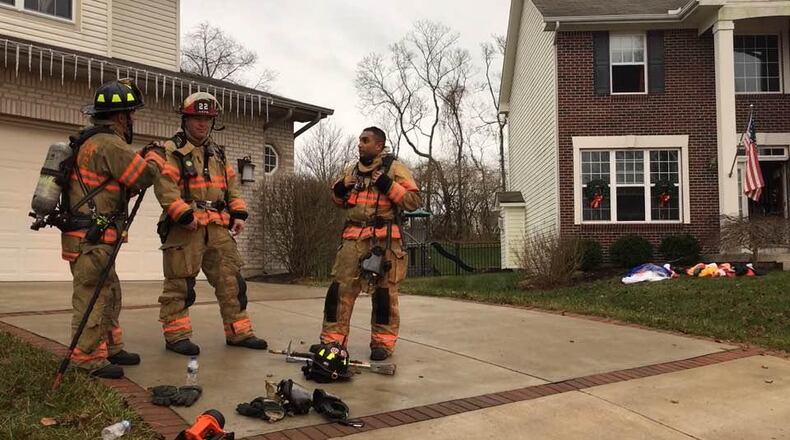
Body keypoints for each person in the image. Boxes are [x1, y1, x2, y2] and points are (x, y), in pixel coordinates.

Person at [64, 79, 165, 378]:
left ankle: (110, 348)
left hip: (92, 238)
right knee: (92, 296)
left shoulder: (90, 141)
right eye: (131, 114)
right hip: (91, 240)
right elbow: (144, 176)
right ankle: (87, 358)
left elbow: (113, 187)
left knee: (109, 292)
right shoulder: (109, 143)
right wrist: (155, 158)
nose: (132, 120)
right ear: (121, 117)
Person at [154, 92, 267, 356]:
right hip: (186, 227)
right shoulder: (170, 151)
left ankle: (239, 332)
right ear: (185, 119)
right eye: (196, 118)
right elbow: (166, 188)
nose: (202, 124)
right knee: (179, 284)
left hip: (217, 226)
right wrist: (183, 214)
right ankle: (177, 336)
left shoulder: (218, 153)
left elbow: (233, 189)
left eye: (207, 119)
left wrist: (238, 214)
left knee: (232, 281)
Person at [318, 126, 421, 361]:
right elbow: (338, 200)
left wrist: (387, 184)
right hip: (352, 239)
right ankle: (333, 343)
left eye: (365, 140)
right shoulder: (352, 170)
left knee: (385, 294)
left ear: (378, 145)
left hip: (384, 242)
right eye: (359, 140)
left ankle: (382, 344)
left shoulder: (395, 168)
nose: (360, 144)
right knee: (339, 290)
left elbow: (413, 201)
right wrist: (343, 187)